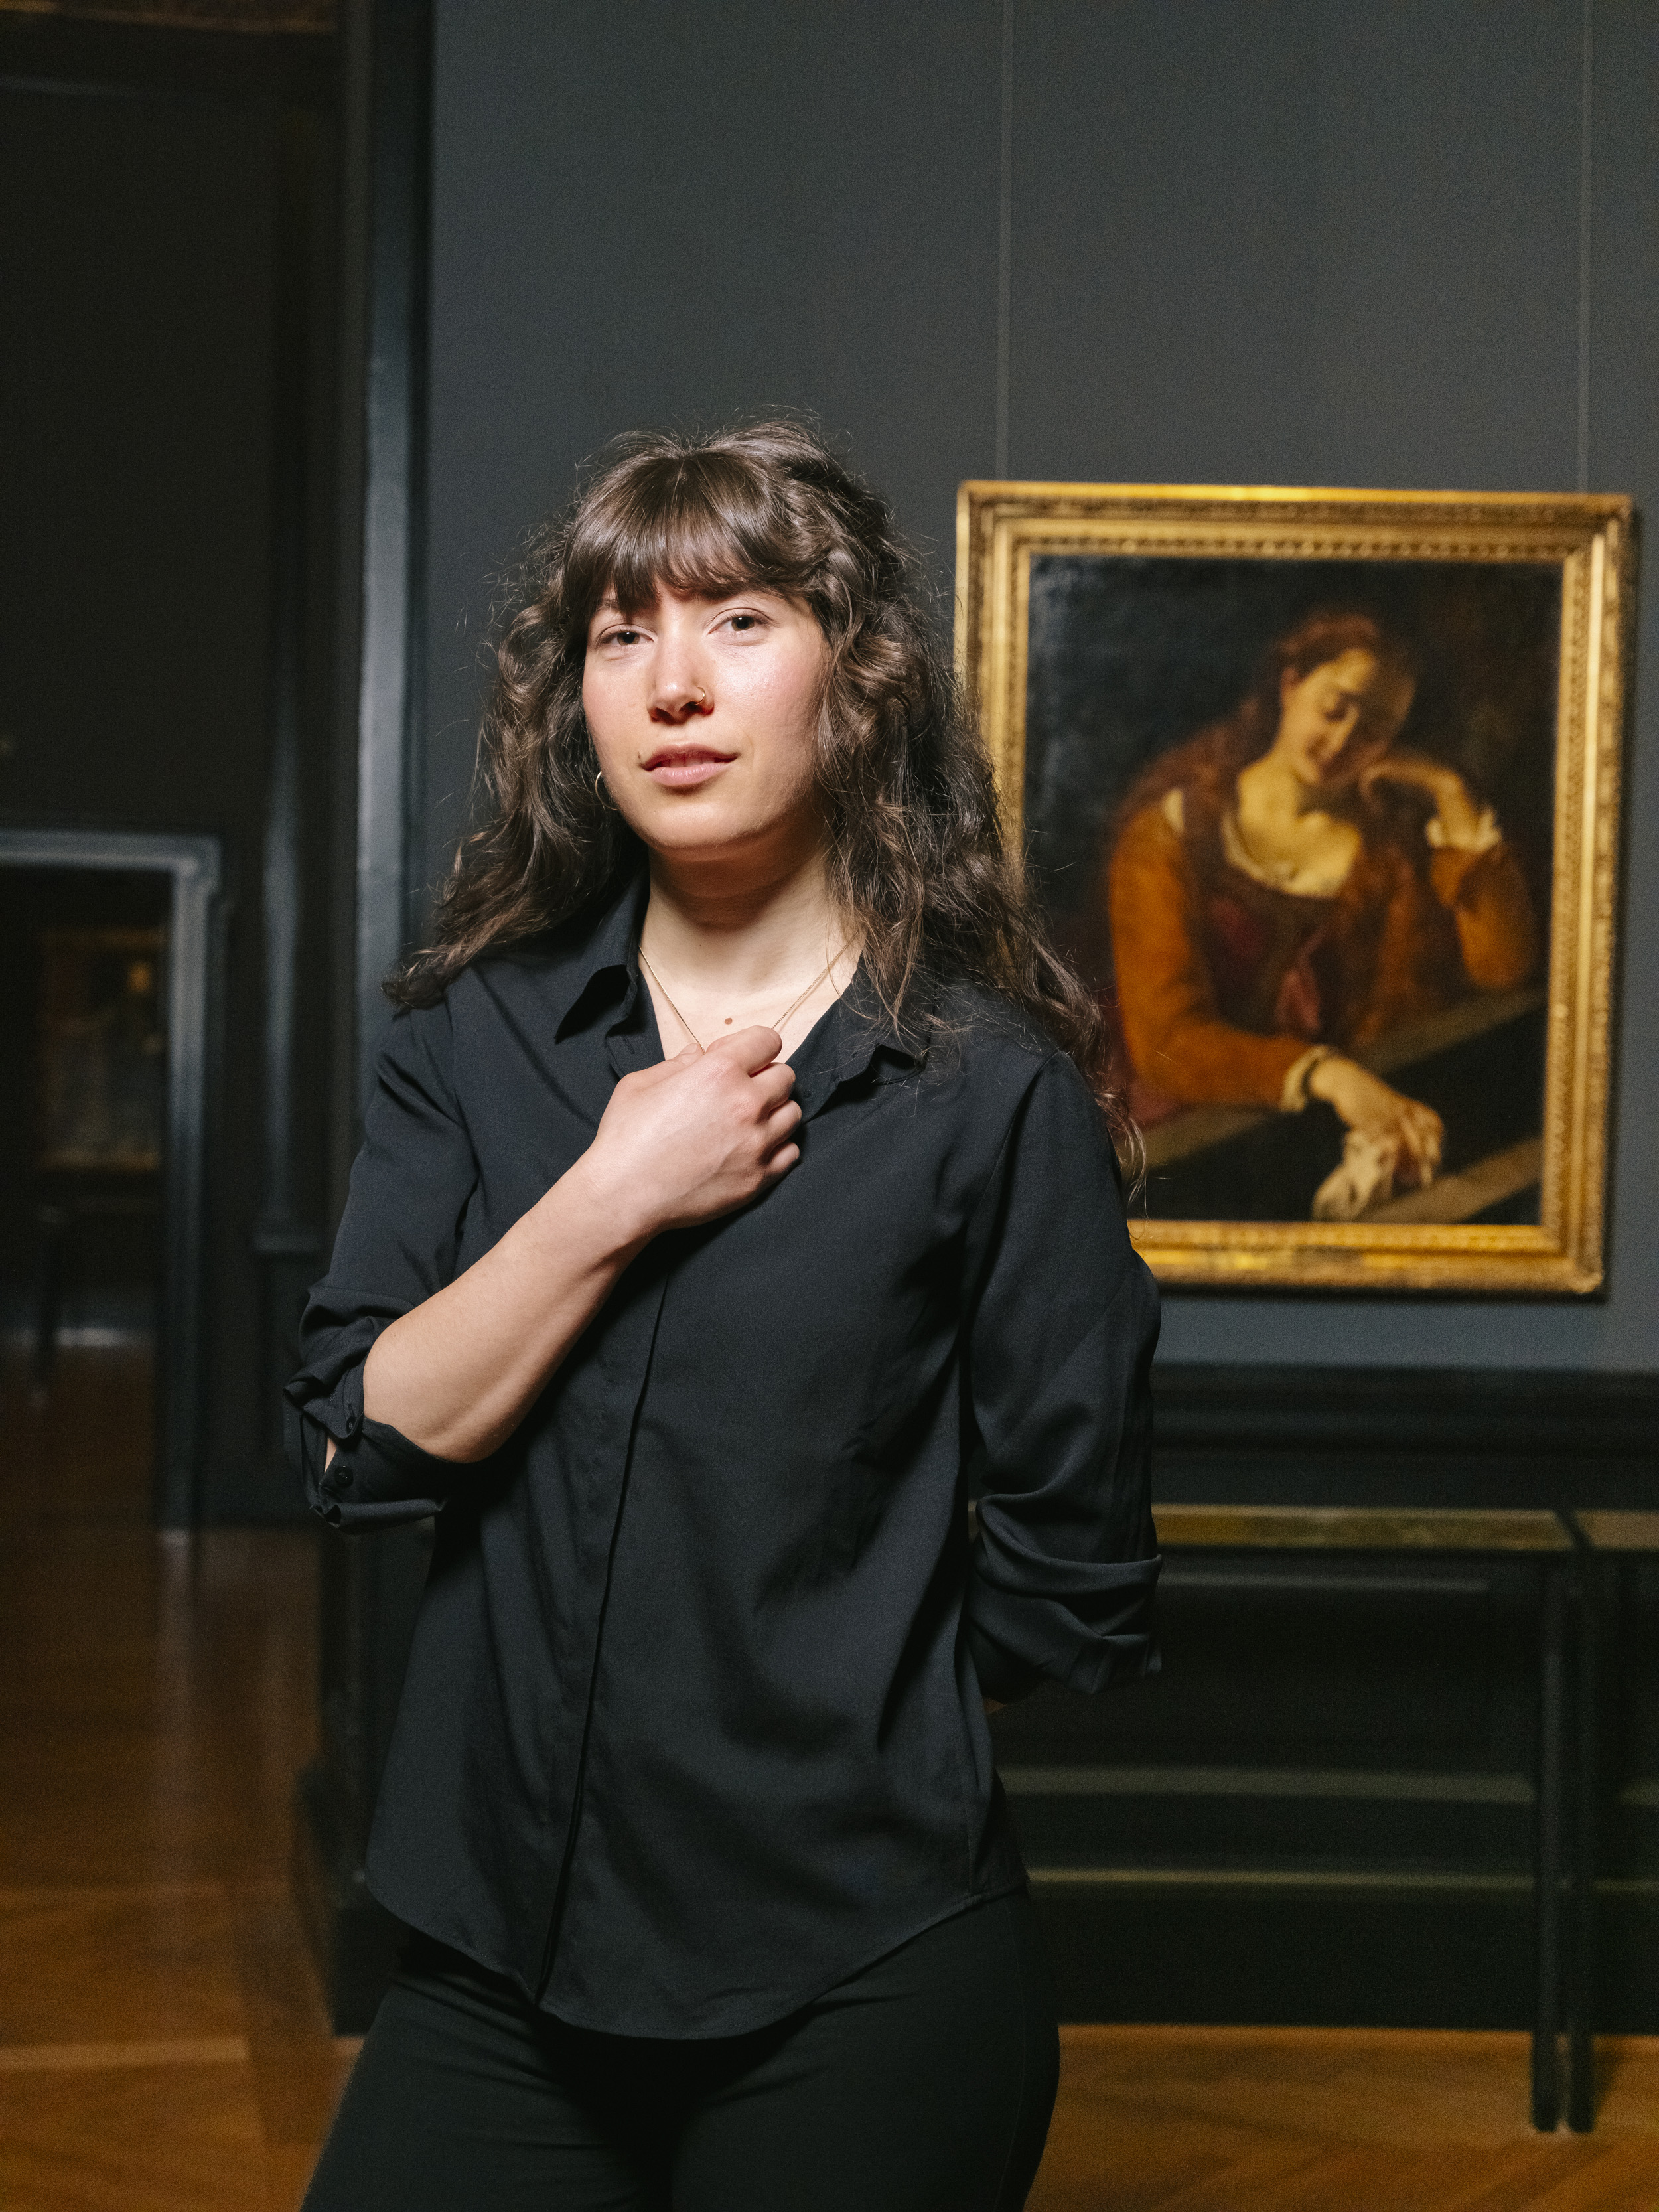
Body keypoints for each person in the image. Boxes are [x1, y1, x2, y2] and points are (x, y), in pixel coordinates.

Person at [287, 421, 1160, 2211]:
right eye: (623, 635)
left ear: (856, 677)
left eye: (740, 621)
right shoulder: (476, 1034)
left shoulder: (988, 1086)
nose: (672, 684)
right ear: (576, 699)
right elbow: (363, 1438)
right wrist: (612, 1192)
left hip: (855, 1967)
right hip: (497, 1946)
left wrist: (838, 1711)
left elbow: (1070, 1574)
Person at [1103, 610, 1537, 1217]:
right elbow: (1166, 1041)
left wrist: (1449, 791)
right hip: (1187, 1133)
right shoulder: (1172, 834)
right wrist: (1326, 1074)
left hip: (1331, 1132)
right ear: (1289, 685)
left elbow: (1504, 968)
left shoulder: (1392, 845)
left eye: (1376, 729)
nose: (1342, 742)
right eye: (1335, 708)